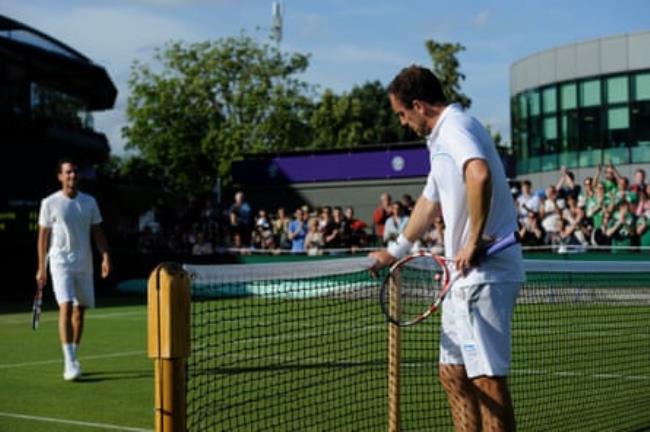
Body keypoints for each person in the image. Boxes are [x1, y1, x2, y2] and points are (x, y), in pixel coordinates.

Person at [369, 65, 524, 432]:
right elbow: (428, 201)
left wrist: (472, 240)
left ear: (419, 106)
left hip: (485, 274)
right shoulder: (439, 141)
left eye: (402, 114)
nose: (403, 123)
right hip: (461, 277)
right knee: (453, 374)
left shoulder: (456, 127)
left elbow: (479, 173)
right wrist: (395, 250)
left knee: (487, 380)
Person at [36, 158, 111, 381]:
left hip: (84, 263)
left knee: (80, 312)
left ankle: (73, 356)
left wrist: (105, 256)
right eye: (68, 172)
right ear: (60, 176)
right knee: (66, 307)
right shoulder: (49, 203)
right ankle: (69, 363)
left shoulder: (90, 202)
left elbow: (98, 232)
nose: (72, 176)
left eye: (75, 172)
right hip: (60, 262)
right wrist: (41, 267)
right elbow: (42, 237)